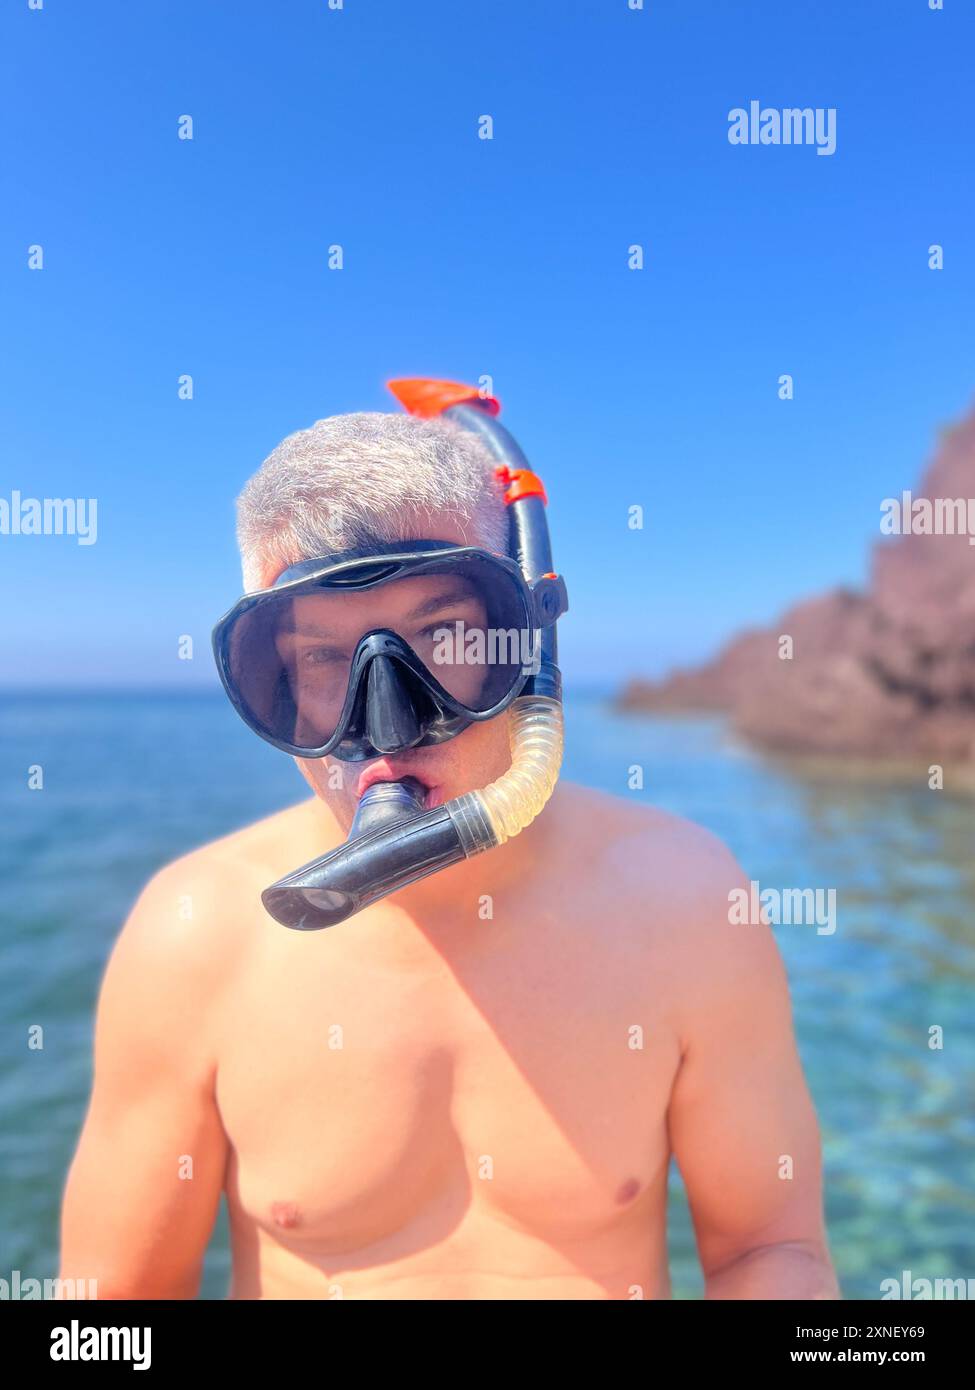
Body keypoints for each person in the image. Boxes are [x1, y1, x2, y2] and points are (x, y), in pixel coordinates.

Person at [59, 382, 839, 1300]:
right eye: (320, 660)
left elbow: (766, 1252)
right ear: (270, 679)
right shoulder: (194, 932)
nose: (388, 727)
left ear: (529, 644)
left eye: (443, 635)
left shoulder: (687, 900)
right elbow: (111, 1314)